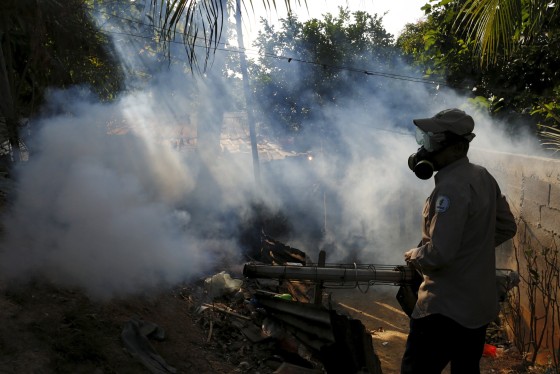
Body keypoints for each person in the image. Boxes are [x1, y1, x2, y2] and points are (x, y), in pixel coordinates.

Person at [401, 108, 517, 374]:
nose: (424, 150)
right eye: (424, 141)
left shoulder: (449, 189)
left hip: (443, 309)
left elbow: (439, 254)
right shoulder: (483, 176)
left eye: (432, 143)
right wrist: (471, 247)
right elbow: (507, 226)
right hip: (476, 307)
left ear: (457, 149)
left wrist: (413, 255)